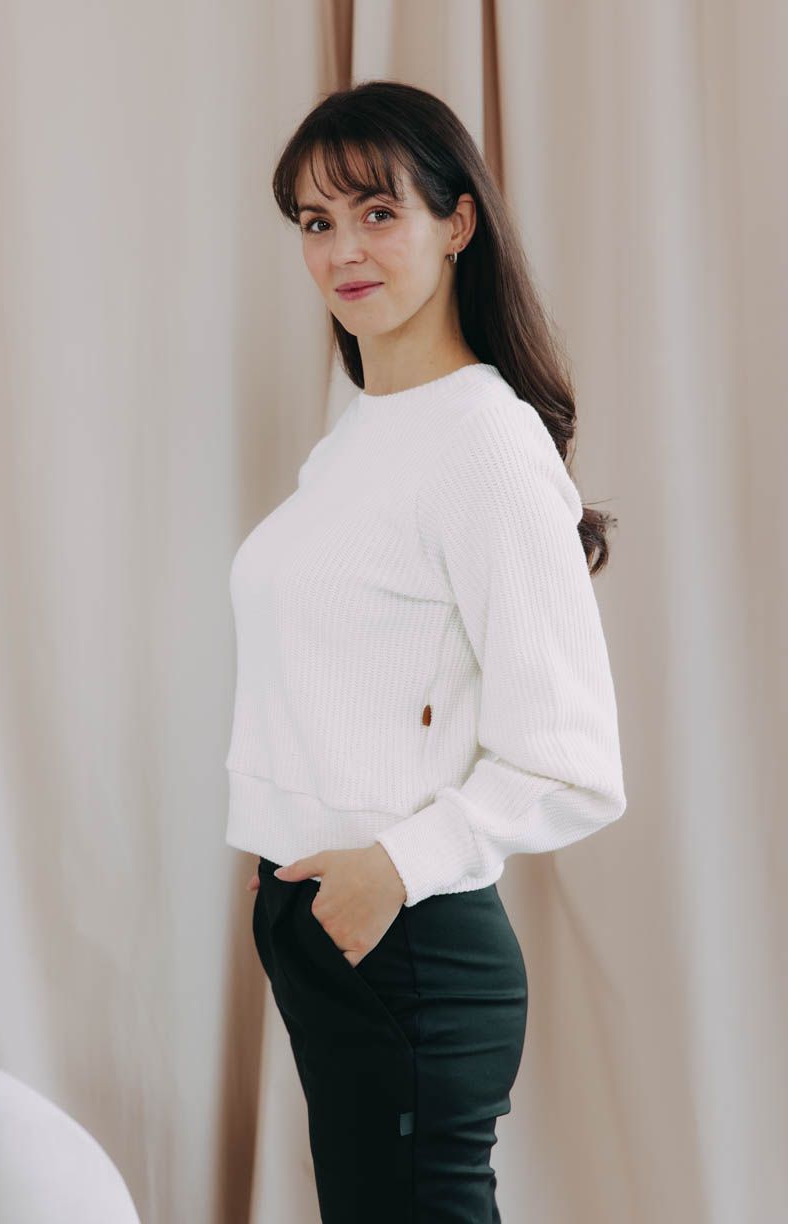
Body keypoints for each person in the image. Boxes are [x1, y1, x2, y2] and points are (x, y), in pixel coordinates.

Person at [225, 79, 627, 1224]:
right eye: (316, 222)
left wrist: (391, 867)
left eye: (377, 212)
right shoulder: (359, 439)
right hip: (329, 933)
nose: (344, 250)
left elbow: (572, 758)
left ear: (457, 224)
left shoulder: (484, 441)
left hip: (410, 944)